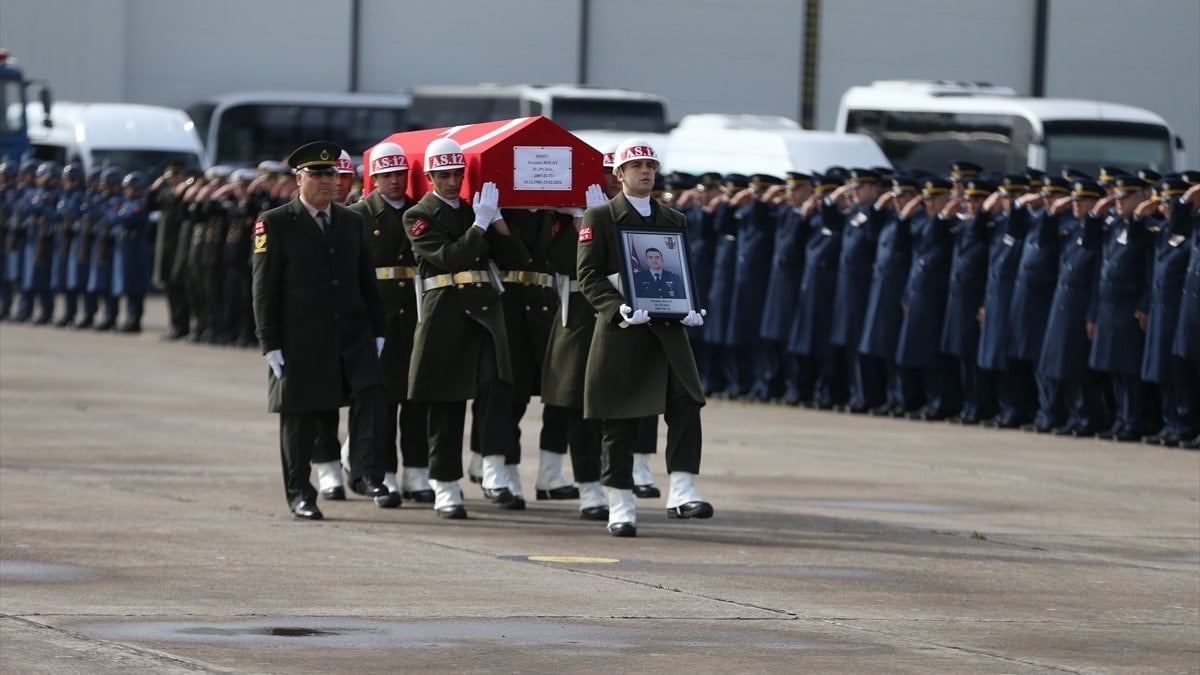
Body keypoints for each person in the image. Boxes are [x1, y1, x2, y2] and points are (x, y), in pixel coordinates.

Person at [576, 137, 711, 538]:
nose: (645, 172)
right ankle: (620, 503)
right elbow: (588, 275)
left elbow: (681, 270)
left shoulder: (673, 220)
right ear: (618, 175)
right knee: (620, 419)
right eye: (636, 167)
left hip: (668, 332)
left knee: (687, 402)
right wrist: (616, 308)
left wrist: (692, 306)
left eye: (650, 165)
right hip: (623, 332)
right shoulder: (598, 217)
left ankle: (683, 490)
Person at [251, 140, 392, 520]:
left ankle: (365, 472)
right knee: (300, 415)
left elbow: (366, 280)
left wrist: (378, 329)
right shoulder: (276, 222)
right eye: (318, 174)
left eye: (332, 174)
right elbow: (264, 288)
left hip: (352, 332)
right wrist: (270, 342)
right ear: (299, 179)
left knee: (373, 391)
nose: (328, 181)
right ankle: (300, 492)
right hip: (301, 336)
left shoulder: (351, 221)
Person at [403, 137, 531, 519]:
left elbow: (517, 257)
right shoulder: (418, 215)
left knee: (496, 387)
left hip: (486, 313)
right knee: (446, 401)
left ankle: (492, 468)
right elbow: (447, 257)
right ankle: (445, 485)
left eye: (458, 173)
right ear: (429, 177)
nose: (452, 181)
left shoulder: (474, 208)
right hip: (446, 313)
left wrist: (498, 220)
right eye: (444, 174)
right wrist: (479, 224)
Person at [346, 141, 434, 504]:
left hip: (415, 314)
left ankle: (417, 472)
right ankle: (382, 473)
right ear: (373, 179)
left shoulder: (420, 211)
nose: (395, 181)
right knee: (381, 402)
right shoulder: (359, 215)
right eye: (386, 175)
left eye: (400, 174)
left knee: (417, 399)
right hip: (378, 316)